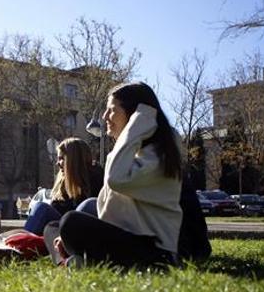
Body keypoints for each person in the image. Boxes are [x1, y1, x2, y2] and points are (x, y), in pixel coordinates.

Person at [52, 82, 184, 268]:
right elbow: (110, 211)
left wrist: (133, 129)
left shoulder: (159, 153)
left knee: (70, 222)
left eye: (112, 110)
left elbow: (116, 180)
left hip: (155, 252)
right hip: (132, 239)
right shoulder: (135, 149)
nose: (105, 116)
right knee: (78, 215)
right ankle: (81, 261)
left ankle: (80, 262)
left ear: (136, 117)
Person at [23, 137, 103, 235]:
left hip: (82, 233)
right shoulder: (63, 185)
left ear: (74, 160)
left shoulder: (97, 181)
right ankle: (22, 243)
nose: (58, 163)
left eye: (61, 159)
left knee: (42, 209)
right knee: (40, 207)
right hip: (63, 230)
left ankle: (21, 244)